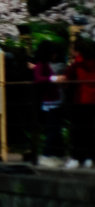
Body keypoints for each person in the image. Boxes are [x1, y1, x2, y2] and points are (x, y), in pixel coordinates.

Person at [33, 40, 67, 167]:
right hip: (51, 101)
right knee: (53, 129)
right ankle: (47, 155)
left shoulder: (43, 64)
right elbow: (38, 79)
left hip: (53, 100)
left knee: (56, 129)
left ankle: (58, 154)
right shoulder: (42, 64)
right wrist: (55, 79)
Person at [64, 40, 95, 169]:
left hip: (80, 101)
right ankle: (89, 157)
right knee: (91, 130)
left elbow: (67, 80)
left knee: (77, 130)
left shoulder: (77, 66)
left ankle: (77, 157)